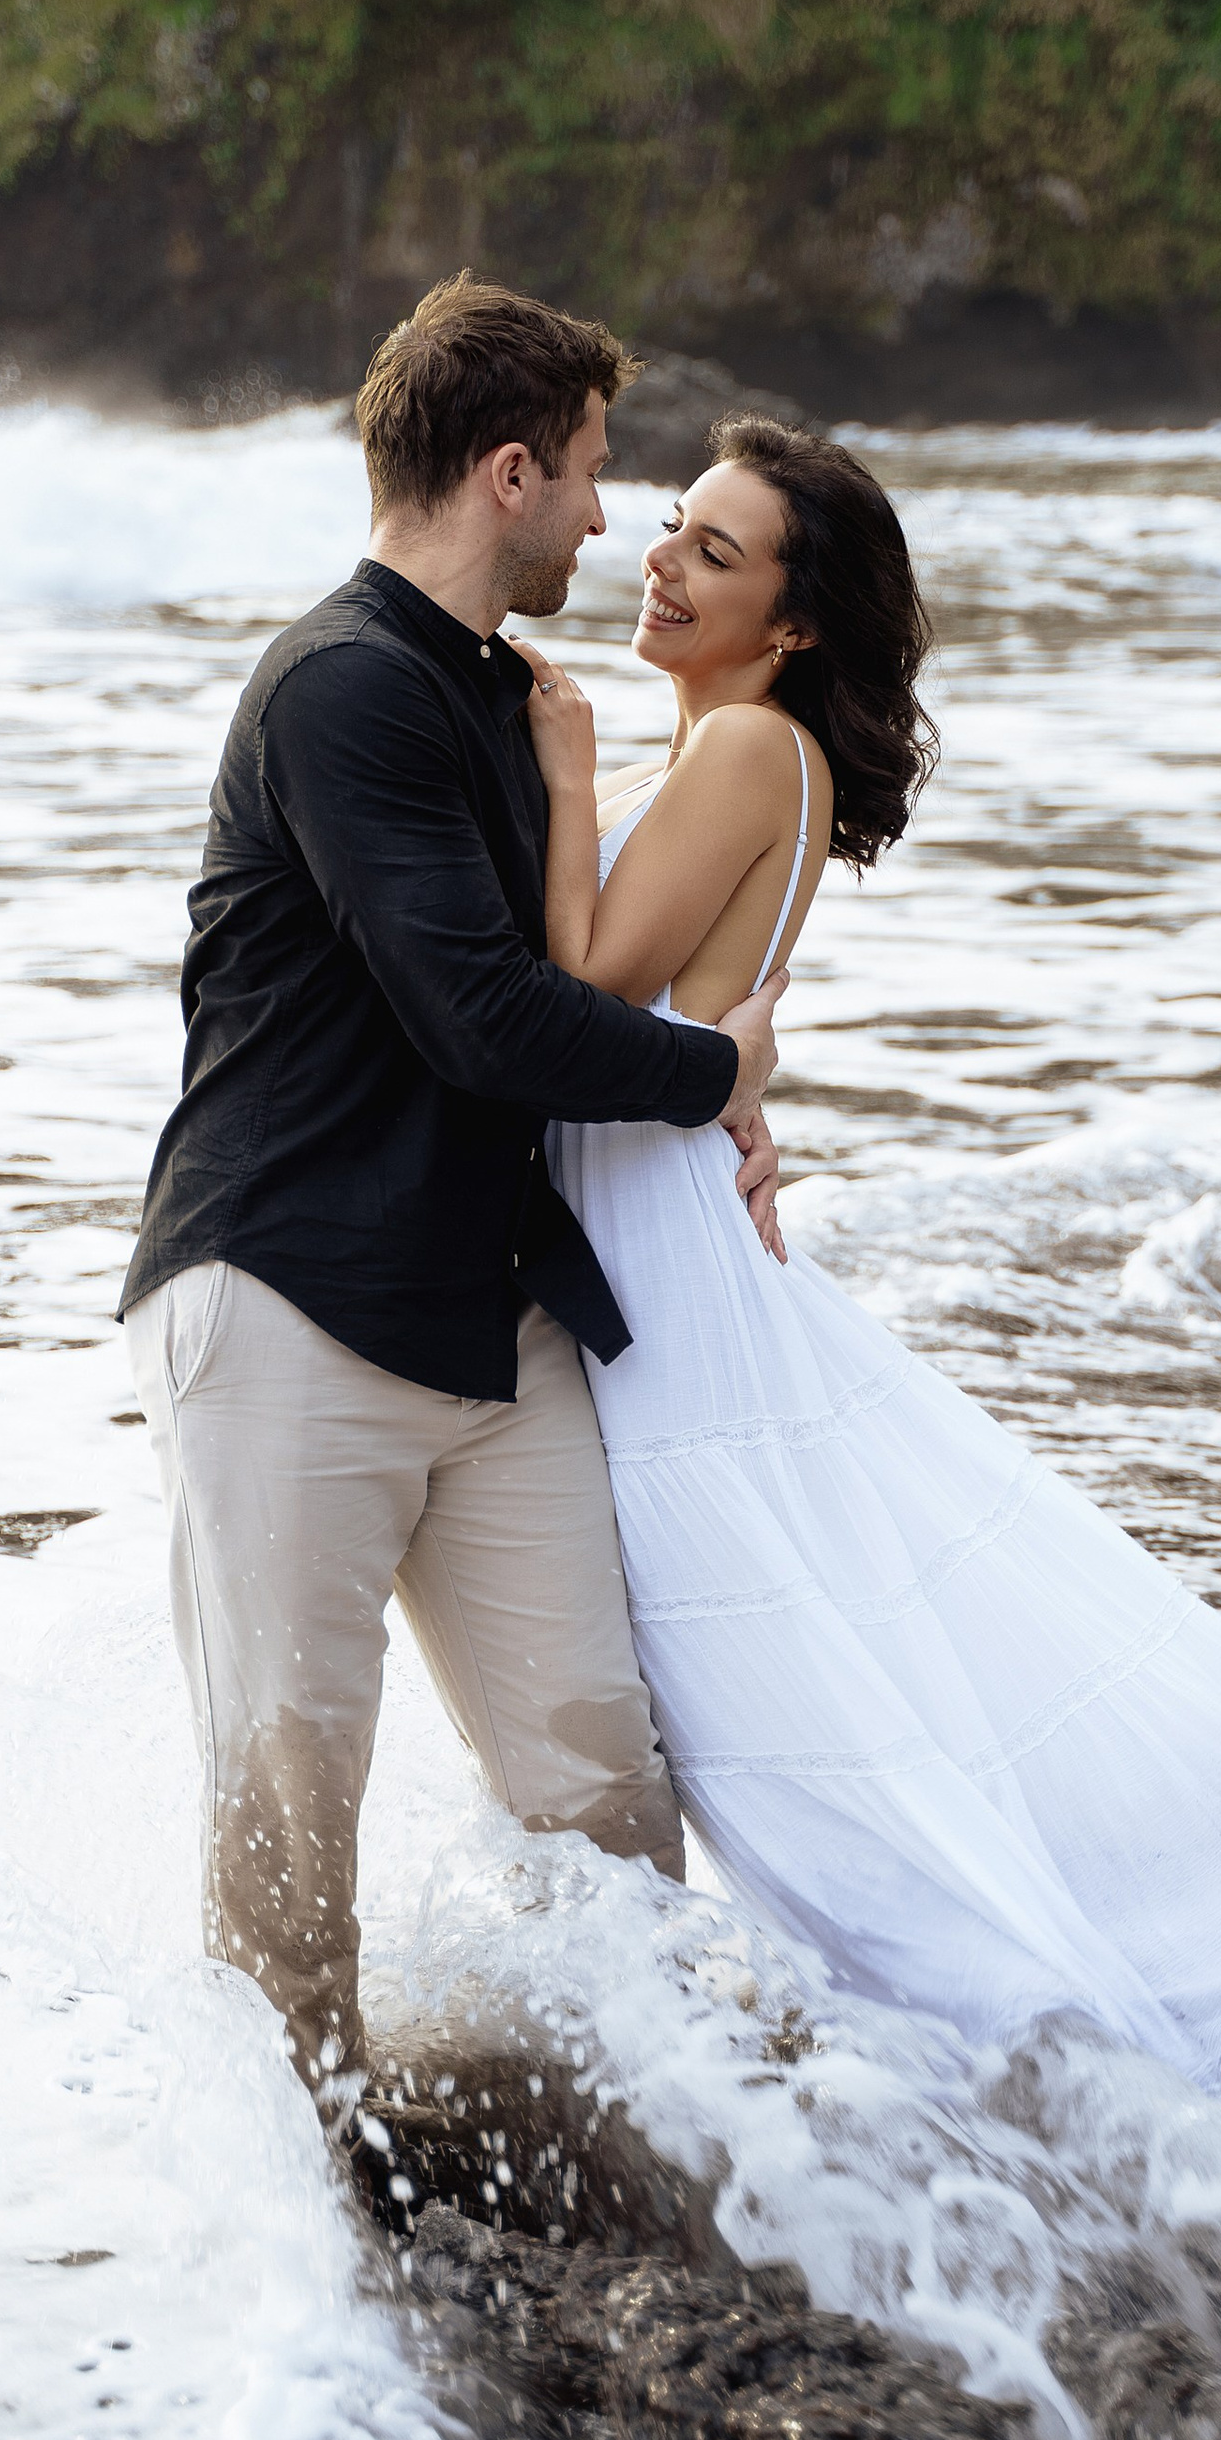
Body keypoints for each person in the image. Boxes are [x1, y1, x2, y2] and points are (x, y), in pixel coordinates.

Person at [525, 422, 1221, 2083]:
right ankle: (1055, 2001)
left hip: (658, 1264)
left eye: (715, 550)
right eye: (672, 525)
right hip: (648, 1217)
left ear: (797, 617)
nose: (663, 561)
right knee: (847, 1645)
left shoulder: (747, 754)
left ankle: (1051, 2025)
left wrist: (551, 769)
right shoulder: (688, 758)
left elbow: (585, 988)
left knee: (775, 1682)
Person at [121, 278, 789, 2116]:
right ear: (506, 471)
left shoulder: (509, 702)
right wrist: (717, 1076)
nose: (602, 518)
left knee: (604, 1799)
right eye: (584, 473)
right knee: (286, 1823)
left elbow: (576, 991)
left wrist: (708, 1111)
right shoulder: (343, 688)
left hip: (493, 1331)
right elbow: (485, 1019)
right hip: (284, 1312)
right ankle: (311, 2278)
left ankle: (661, 2160)